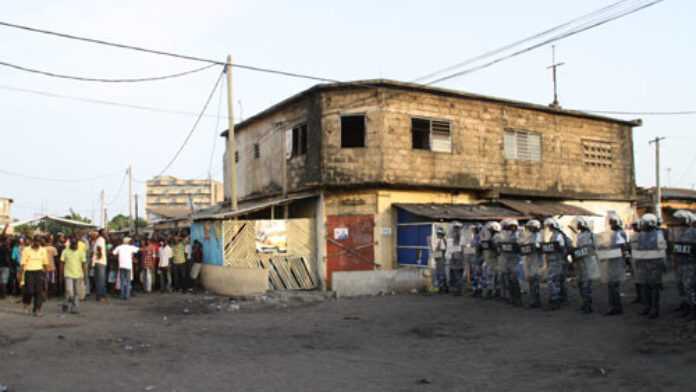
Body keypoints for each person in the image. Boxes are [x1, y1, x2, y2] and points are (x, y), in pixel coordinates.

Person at [632, 213, 667, 319]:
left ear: (651, 223)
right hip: (643, 265)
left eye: (644, 223)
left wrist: (663, 264)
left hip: (654, 266)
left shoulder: (659, 234)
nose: (642, 225)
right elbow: (637, 248)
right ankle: (647, 307)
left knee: (654, 287)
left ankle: (654, 309)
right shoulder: (641, 234)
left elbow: (662, 250)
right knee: (644, 287)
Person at [596, 213, 629, 316]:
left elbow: (623, 248)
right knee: (612, 286)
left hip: (616, 263)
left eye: (612, 222)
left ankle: (616, 307)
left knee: (614, 286)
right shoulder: (614, 233)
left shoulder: (619, 233)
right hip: (611, 262)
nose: (611, 224)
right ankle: (615, 306)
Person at [669, 210, 696, 320]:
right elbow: (675, 249)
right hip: (679, 264)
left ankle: (694, 310)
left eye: (679, 219)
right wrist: (674, 262)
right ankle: (686, 306)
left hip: (690, 264)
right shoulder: (676, 232)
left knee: (690, 288)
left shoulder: (693, 232)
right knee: (681, 286)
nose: (677, 221)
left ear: (687, 220)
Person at [571, 217, 599, 314]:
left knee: (586, 284)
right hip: (580, 262)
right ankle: (584, 302)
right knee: (580, 284)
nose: (577, 226)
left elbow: (594, 249)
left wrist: (581, 252)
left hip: (588, 263)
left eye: (578, 224)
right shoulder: (579, 235)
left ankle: (588, 305)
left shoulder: (591, 235)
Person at [20, 236, 49, 316]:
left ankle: (37, 310)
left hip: (39, 272)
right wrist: (20, 276)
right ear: (33, 241)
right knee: (29, 291)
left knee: (39, 292)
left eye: (39, 241)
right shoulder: (26, 250)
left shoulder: (43, 250)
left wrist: (45, 276)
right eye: (36, 241)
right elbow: (22, 264)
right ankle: (26, 304)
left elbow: (45, 264)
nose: (37, 243)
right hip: (29, 272)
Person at [542, 218, 568, 310]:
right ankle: (561, 298)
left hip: (556, 261)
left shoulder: (558, 235)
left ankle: (555, 300)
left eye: (548, 226)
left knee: (553, 280)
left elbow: (560, 248)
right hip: (555, 260)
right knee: (558, 280)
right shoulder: (556, 235)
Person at [499, 219, 522, 306]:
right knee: (508, 279)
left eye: (513, 227)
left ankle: (517, 298)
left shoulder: (518, 235)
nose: (512, 228)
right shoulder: (503, 235)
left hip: (515, 260)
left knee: (514, 279)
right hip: (506, 259)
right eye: (510, 227)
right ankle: (511, 297)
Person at [61, 237, 87, 314]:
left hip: (78, 275)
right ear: (70, 244)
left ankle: (74, 307)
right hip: (68, 274)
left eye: (76, 244)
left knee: (76, 292)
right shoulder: (65, 251)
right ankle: (66, 303)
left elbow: (84, 264)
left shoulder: (81, 252)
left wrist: (85, 275)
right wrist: (61, 274)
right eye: (73, 244)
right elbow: (61, 263)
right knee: (69, 291)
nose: (75, 246)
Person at [522, 220, 544, 309]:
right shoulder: (529, 236)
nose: (529, 229)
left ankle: (536, 301)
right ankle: (533, 300)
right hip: (529, 261)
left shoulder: (539, 236)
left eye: (531, 227)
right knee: (531, 281)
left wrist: (534, 248)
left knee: (535, 281)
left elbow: (540, 248)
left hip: (536, 261)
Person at [480, 221, 502, 299]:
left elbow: (498, 249)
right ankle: (491, 290)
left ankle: (496, 291)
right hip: (490, 258)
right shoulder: (490, 237)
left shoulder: (497, 237)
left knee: (495, 275)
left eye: (491, 230)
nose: (490, 231)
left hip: (496, 258)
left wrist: (493, 246)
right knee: (490, 274)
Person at [447, 222, 466, 296]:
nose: (455, 230)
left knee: (458, 275)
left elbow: (462, 249)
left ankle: (459, 290)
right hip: (455, 258)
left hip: (458, 259)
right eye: (455, 228)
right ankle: (457, 290)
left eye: (456, 228)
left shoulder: (461, 237)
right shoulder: (454, 238)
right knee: (456, 275)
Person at [430, 226, 448, 293]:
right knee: (440, 274)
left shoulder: (442, 240)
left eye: (438, 234)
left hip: (441, 260)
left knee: (441, 274)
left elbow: (442, 251)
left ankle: (443, 288)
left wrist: (434, 255)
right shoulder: (440, 240)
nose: (437, 235)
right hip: (439, 260)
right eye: (437, 233)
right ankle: (442, 287)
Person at [92, 229, 108, 302]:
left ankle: (99, 296)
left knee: (99, 280)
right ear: (102, 234)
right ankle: (101, 297)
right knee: (101, 280)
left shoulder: (99, 240)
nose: (106, 234)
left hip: (98, 262)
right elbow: (99, 248)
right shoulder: (101, 240)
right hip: (100, 262)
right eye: (105, 233)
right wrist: (100, 257)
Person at [470, 224, 485, 298]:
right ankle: (476, 289)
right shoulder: (474, 237)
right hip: (475, 258)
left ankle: (479, 289)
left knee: (479, 274)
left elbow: (479, 246)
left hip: (479, 258)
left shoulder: (480, 237)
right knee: (476, 275)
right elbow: (472, 247)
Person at [0, 230, 11, 299]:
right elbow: (7, 258)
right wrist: (9, 264)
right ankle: (3, 295)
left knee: (1, 280)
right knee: (4, 281)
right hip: (5, 266)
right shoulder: (6, 247)